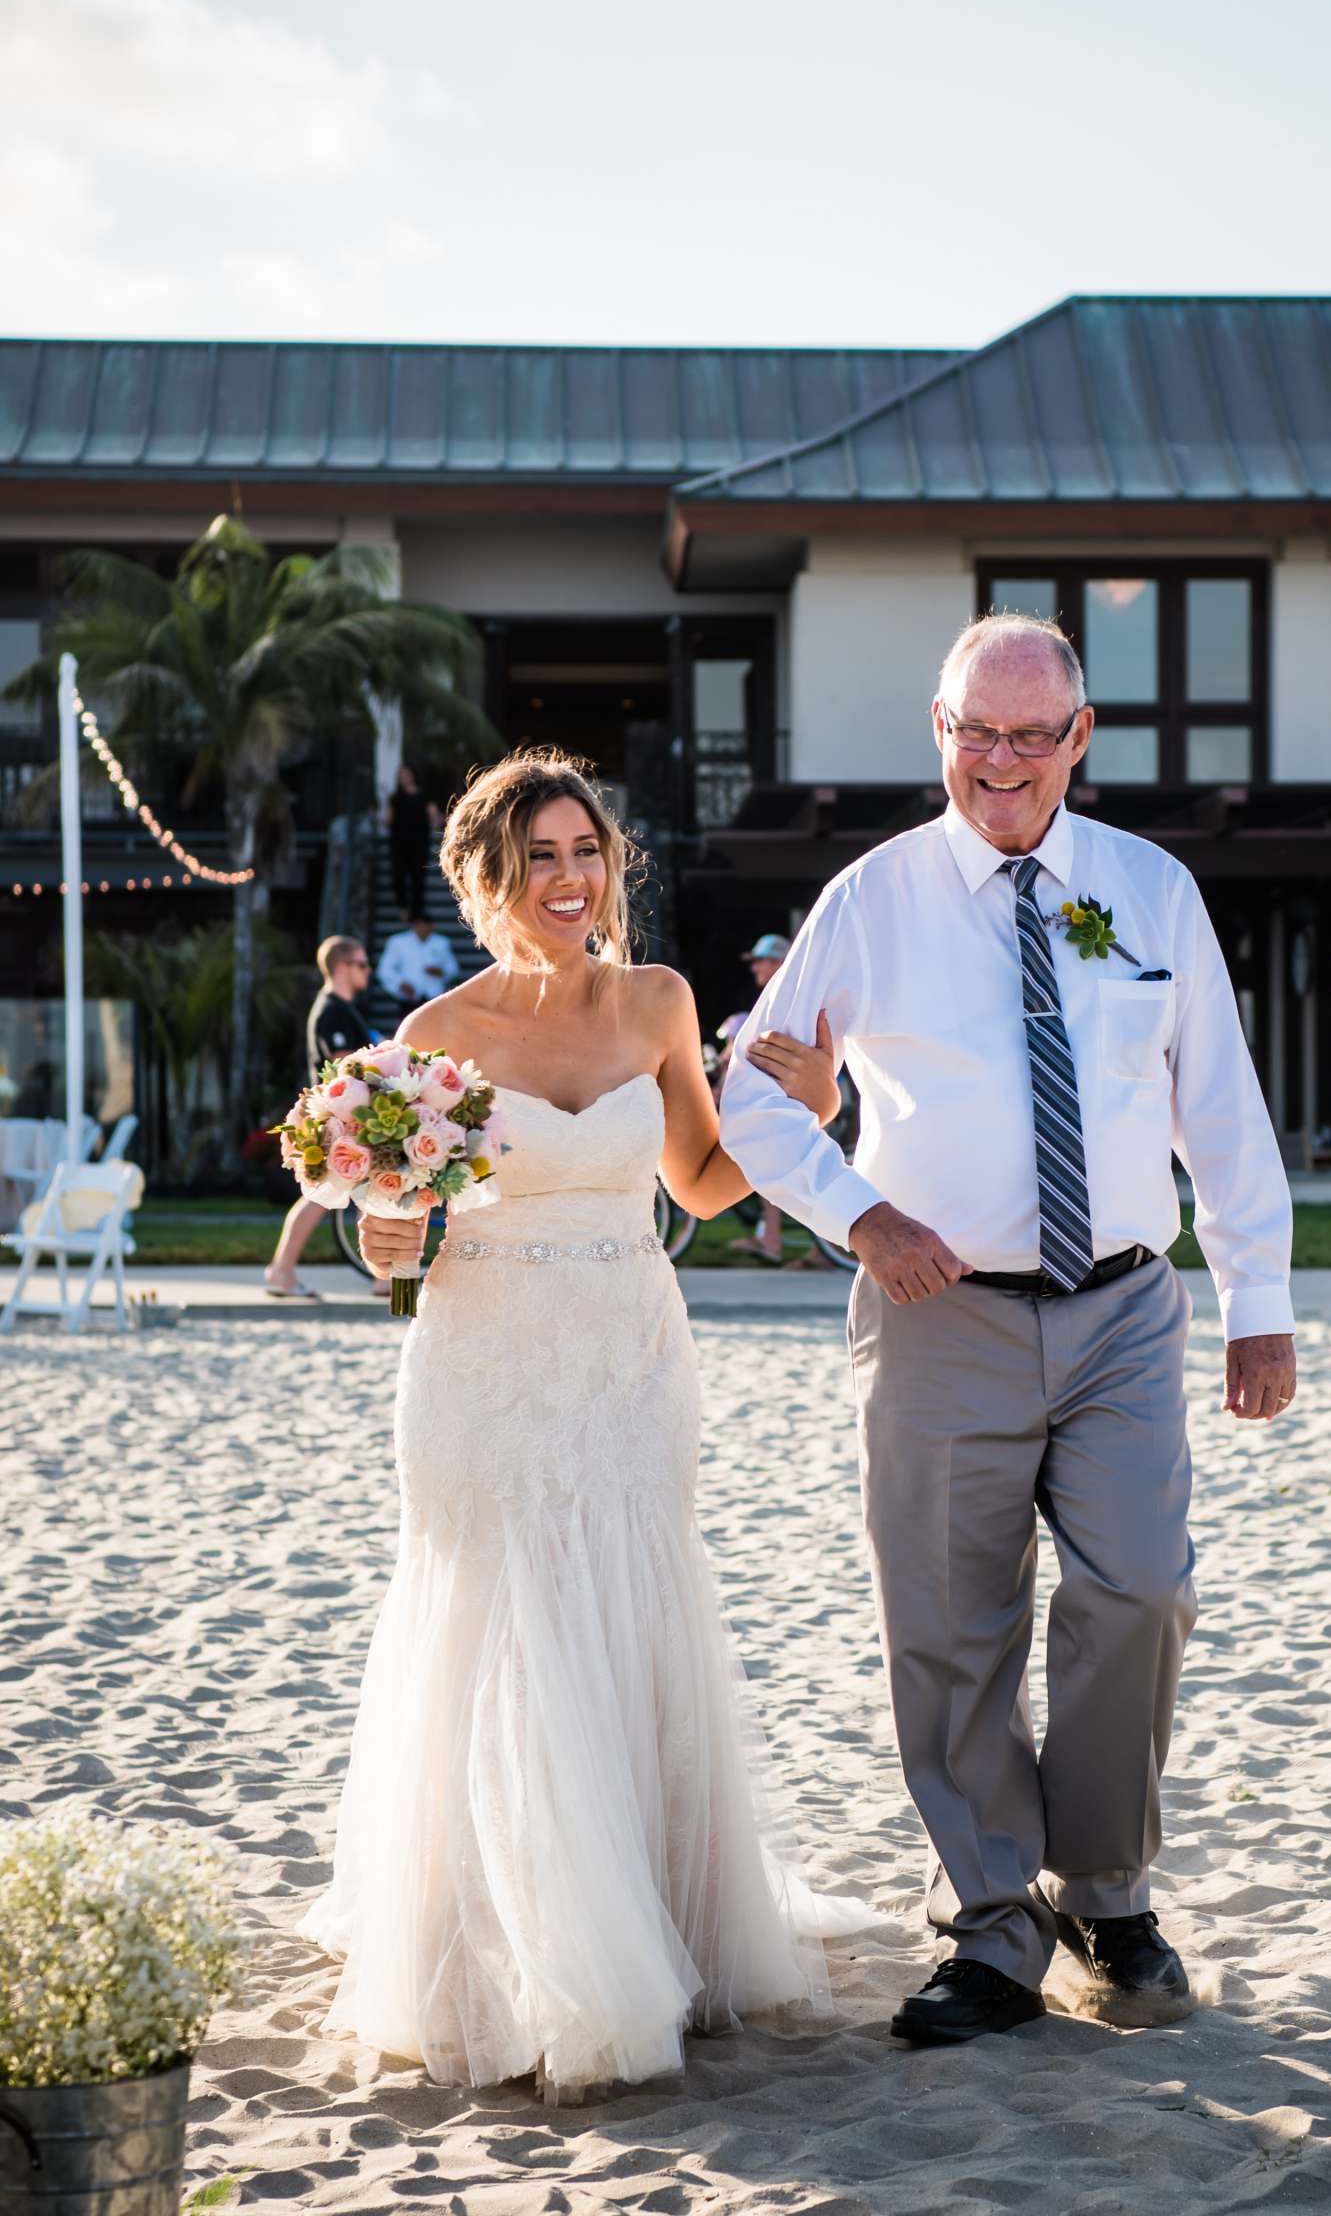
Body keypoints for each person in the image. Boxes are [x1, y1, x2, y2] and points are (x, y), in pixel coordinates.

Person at [721, 611, 1296, 2048]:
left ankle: (1106, 1892)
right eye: (977, 731)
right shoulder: (871, 900)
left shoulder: (1148, 891)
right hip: (940, 1316)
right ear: (939, 731)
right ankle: (990, 1927)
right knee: (950, 1625)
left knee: (1142, 1591)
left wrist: (1256, 1297)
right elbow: (750, 1097)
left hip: (1120, 1309)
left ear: (1079, 740)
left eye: (1033, 734)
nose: (1003, 761)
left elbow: (1215, 1100)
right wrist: (858, 1213)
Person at [303, 750, 870, 2095]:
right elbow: (393, 1235)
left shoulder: (662, 1002)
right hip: (481, 1357)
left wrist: (813, 1114)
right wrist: (381, 1232)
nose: (569, 880)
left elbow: (702, 1181)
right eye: (539, 858)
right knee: (502, 1619)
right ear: (487, 880)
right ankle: (506, 1950)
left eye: (586, 853)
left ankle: (649, 1925)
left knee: (627, 1601)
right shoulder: (434, 1034)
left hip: (627, 1349)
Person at [263, 935, 374, 1301]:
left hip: (346, 1118)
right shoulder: (331, 1010)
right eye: (361, 964)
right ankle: (282, 1271)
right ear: (341, 967)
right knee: (321, 1195)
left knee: (357, 1192)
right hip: (339, 1120)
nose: (367, 970)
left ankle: (383, 1275)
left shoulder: (343, 1008)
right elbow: (347, 1067)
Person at [717, 933, 794, 1263]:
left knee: (768, 1159)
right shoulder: (782, 996)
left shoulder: (786, 997)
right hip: (786, 1090)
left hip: (792, 1093)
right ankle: (771, 1237)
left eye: (761, 961)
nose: (755, 969)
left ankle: (771, 1241)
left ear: (777, 963)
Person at [384, 763, 438, 919]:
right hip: (399, 843)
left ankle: (416, 912)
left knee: (418, 877)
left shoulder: (424, 795)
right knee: (397, 875)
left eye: (406, 774)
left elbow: (433, 815)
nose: (404, 778)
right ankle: (403, 907)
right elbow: (388, 819)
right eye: (401, 775)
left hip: (419, 842)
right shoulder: (395, 797)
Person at [377, 911, 459, 1006]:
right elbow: (385, 969)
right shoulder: (398, 942)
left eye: (425, 925)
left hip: (434, 997)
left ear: (432, 926)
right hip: (408, 997)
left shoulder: (442, 942)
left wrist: (441, 972)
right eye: (419, 925)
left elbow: (453, 969)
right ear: (413, 926)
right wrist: (400, 984)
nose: (422, 928)